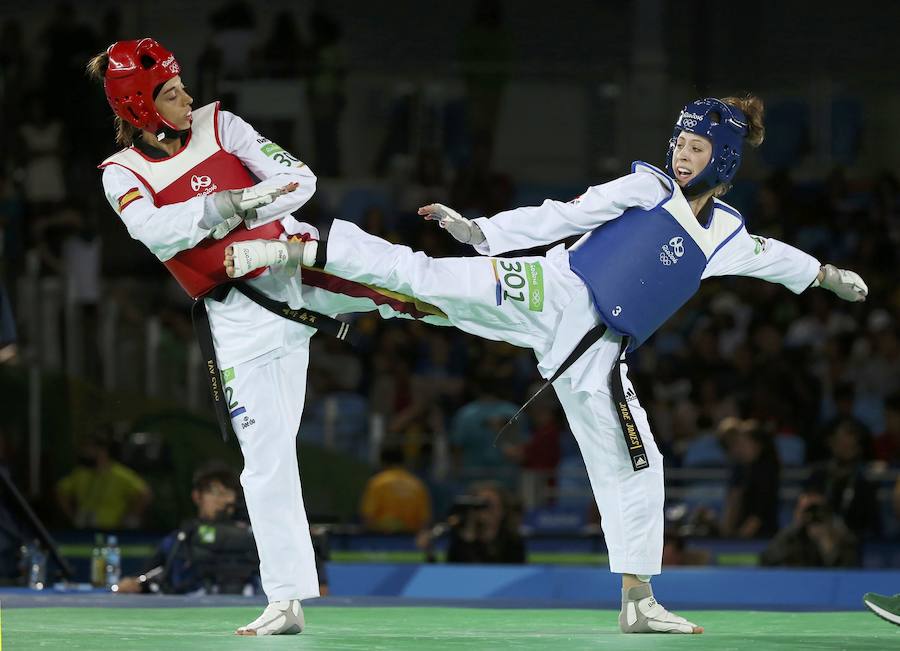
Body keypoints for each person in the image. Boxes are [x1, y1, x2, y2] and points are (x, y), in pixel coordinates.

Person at [228, 96, 869, 634]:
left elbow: (767, 254)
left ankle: (639, 601)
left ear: (723, 159)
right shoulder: (648, 186)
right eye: (679, 141)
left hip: (598, 350)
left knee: (636, 459)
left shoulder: (723, 231)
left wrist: (828, 276)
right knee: (427, 280)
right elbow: (568, 212)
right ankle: (304, 245)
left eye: (696, 149)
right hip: (550, 288)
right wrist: (483, 233)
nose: (681, 153)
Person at [87, 38, 447, 636]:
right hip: (239, 320)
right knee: (266, 458)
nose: (188, 99)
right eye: (172, 94)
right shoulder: (120, 174)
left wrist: (255, 212)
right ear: (140, 109)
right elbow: (155, 232)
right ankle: (285, 599)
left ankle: (511, 298)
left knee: (408, 284)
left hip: (295, 260)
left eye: (183, 87)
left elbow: (297, 179)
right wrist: (230, 203)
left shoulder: (222, 123)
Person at [55, 433, 152, 529]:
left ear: (102, 450)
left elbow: (144, 494)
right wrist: (72, 515)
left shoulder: (120, 474)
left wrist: (130, 518)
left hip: (111, 527)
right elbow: (61, 490)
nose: (85, 452)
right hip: (82, 526)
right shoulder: (81, 472)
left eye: (89, 448)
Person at [359, 444, 432, 533]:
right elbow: (424, 521)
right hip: (411, 541)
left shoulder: (378, 483)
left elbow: (368, 517)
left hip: (381, 540)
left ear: (383, 463)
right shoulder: (417, 484)